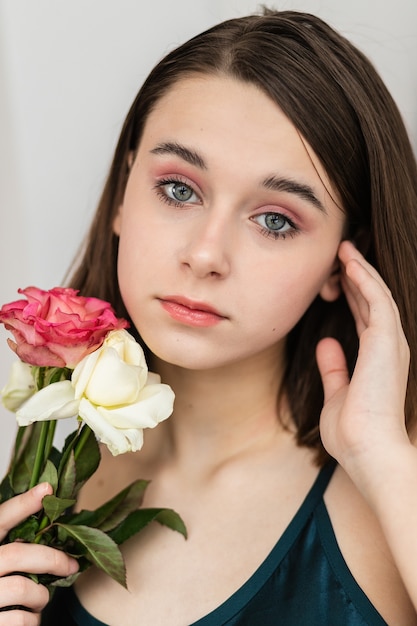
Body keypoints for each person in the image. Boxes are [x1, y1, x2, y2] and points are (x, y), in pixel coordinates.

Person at [1, 7, 417, 625]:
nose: (204, 255)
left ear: (341, 263)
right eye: (179, 189)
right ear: (121, 194)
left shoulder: (392, 490)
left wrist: (381, 456)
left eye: (276, 220)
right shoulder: (45, 477)